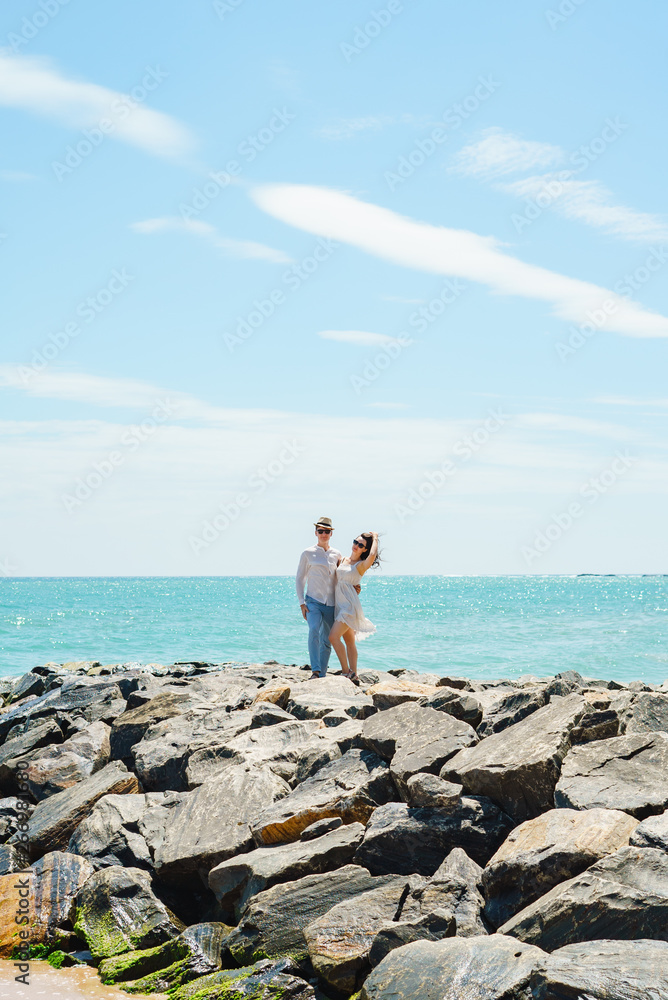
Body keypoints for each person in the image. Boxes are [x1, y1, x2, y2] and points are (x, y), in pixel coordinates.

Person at [329, 532, 379, 685]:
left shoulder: (361, 566)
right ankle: (354, 674)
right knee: (349, 641)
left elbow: (371, 557)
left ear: (365, 549)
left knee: (333, 637)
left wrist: (375, 538)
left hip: (349, 608)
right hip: (340, 605)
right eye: (355, 542)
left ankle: (346, 672)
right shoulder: (343, 560)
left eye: (361, 545)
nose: (356, 546)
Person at [296, 517, 341, 680]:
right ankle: (314, 671)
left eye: (326, 531)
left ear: (331, 534)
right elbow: (300, 578)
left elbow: (341, 577)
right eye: (320, 531)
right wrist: (302, 603)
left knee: (327, 639)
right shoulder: (307, 553)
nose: (323, 534)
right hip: (313, 602)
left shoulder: (337, 554)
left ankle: (321, 674)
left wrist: (355, 587)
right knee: (314, 629)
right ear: (316, 533)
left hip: (331, 603)